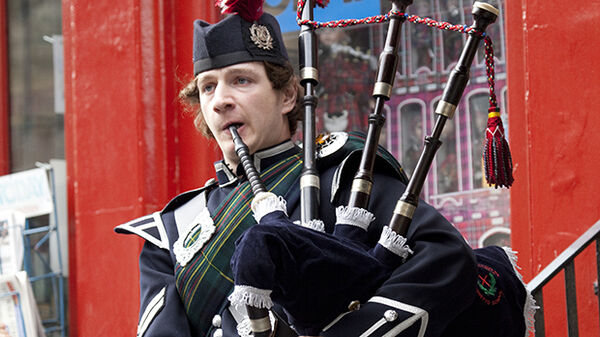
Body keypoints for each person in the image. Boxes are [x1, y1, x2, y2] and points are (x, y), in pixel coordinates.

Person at [116, 3, 533, 337]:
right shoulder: (171, 231)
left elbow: (444, 259)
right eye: (208, 87)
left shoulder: (348, 172)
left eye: (240, 80)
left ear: (286, 96)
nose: (220, 100)